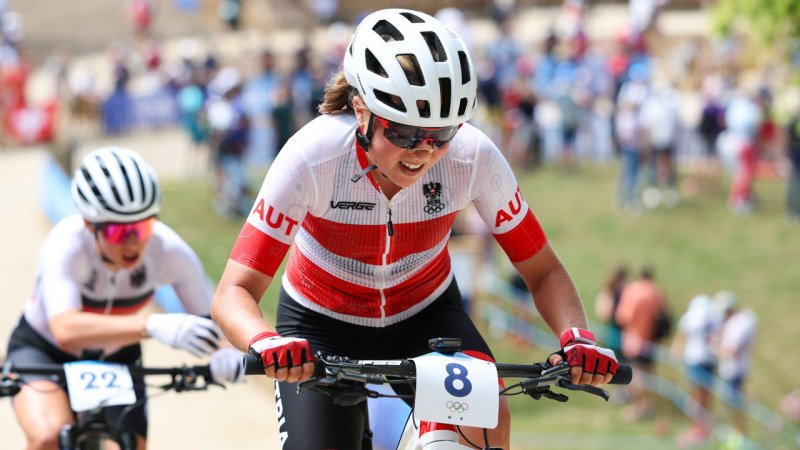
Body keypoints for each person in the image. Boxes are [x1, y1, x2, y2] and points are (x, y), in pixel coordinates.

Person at [210, 9, 619, 450]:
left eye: (441, 133)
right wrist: (265, 341)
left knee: (482, 422)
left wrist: (577, 337)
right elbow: (234, 291)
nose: (423, 151)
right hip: (320, 325)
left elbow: (543, 270)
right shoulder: (312, 157)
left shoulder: (472, 157)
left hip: (426, 316)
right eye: (403, 131)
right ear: (361, 109)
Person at [5, 147, 244, 450]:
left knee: (129, 445)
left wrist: (225, 352)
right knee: (50, 436)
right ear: (90, 224)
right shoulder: (64, 244)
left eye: (142, 227)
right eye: (119, 231)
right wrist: (152, 325)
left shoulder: (170, 251)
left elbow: (214, 320)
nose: (133, 242)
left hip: (116, 357)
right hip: (43, 350)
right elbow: (65, 330)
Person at [615, 264, 668, 421]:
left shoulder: (632, 291)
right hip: (651, 341)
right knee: (649, 374)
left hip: (634, 340)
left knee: (635, 375)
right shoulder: (656, 291)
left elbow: (623, 316)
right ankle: (649, 404)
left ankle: (638, 407)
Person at [671, 294, 719, 445]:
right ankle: (702, 428)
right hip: (709, 360)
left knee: (697, 396)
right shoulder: (713, 316)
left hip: (695, 360)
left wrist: (675, 354)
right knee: (704, 396)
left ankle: (698, 429)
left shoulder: (690, 316)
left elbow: (681, 337)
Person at [714, 291, 757, 437]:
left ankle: (739, 435)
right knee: (730, 404)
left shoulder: (741, 322)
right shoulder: (737, 322)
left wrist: (715, 347)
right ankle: (735, 434)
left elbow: (731, 350)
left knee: (736, 404)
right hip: (731, 369)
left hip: (735, 370)